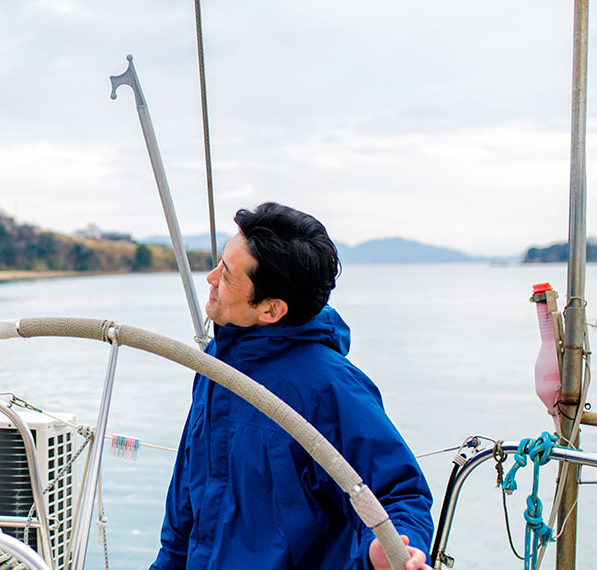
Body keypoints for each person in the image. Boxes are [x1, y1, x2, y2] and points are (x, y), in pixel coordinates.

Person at [149, 203, 434, 570]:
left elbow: (397, 492)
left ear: (270, 310)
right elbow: (187, 499)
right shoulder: (217, 361)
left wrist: (389, 549)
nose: (211, 278)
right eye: (220, 262)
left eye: (229, 275)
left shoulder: (329, 386)